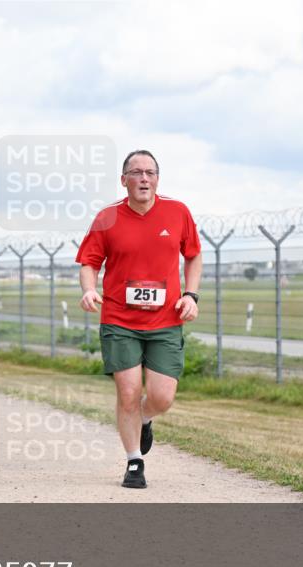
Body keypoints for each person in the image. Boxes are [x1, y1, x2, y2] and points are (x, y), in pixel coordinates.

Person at [76, 149, 203, 489]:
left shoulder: (177, 212)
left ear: (157, 179)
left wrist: (190, 295)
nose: (143, 178)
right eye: (136, 172)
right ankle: (134, 461)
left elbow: (193, 257)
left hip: (165, 321)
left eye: (149, 172)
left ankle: (146, 418)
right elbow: (89, 262)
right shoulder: (107, 218)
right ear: (124, 180)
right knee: (128, 391)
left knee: (162, 397)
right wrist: (89, 290)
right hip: (119, 318)